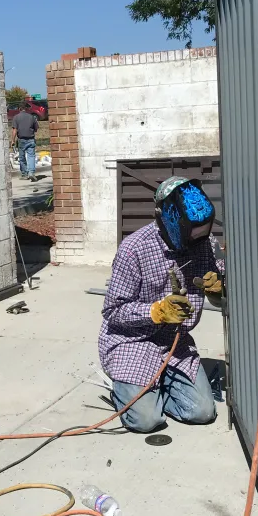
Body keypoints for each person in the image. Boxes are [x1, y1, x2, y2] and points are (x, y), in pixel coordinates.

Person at [98, 176, 224, 433]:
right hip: (132, 342)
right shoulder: (134, 249)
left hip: (174, 343)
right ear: (169, 221)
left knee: (203, 412)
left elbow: (222, 298)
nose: (198, 243)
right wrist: (156, 311)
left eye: (203, 233)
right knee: (147, 422)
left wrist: (218, 291)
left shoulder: (206, 245)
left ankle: (155, 389)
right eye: (192, 235)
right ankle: (128, 393)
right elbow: (113, 311)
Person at [10, 101, 39, 181]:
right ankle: (31, 173)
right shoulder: (31, 117)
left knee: (22, 157)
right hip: (31, 139)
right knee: (31, 156)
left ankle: (25, 174)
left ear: (19, 109)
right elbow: (36, 129)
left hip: (21, 140)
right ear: (25, 109)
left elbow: (14, 130)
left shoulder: (16, 117)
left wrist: (12, 140)